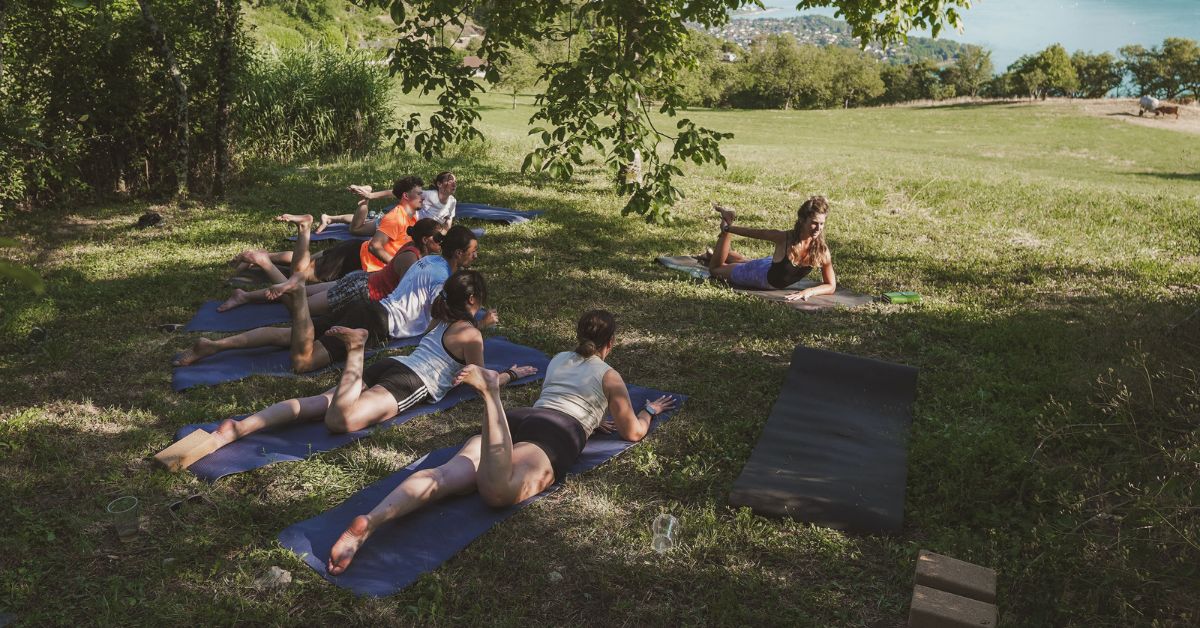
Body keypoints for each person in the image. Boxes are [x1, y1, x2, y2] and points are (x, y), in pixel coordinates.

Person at [324, 309, 678, 575]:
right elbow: (632, 432)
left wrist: (596, 418)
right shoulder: (610, 375)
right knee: (498, 493)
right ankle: (491, 394)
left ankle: (370, 521)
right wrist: (648, 410)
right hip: (556, 433)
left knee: (445, 476)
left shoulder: (558, 359)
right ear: (611, 343)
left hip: (521, 419)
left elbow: (571, 396)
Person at [206, 270, 538, 449]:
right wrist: (509, 373)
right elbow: (481, 378)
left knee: (317, 403)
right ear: (472, 300)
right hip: (409, 383)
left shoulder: (442, 317)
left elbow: (457, 334)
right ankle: (356, 349)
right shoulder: (471, 336)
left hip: (394, 366)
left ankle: (241, 426)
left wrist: (481, 323)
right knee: (339, 422)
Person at [176, 225, 490, 372]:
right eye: (474, 252)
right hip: (374, 322)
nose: (476, 256)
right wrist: (478, 322)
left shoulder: (427, 260)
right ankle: (296, 297)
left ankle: (214, 345)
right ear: (460, 253)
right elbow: (441, 319)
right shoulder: (441, 278)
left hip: (370, 307)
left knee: (290, 336)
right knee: (304, 362)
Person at [217, 218, 445, 316]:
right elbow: (407, 295)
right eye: (439, 239)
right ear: (425, 240)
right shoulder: (411, 258)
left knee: (301, 290)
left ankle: (244, 296)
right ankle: (266, 263)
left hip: (362, 279)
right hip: (359, 288)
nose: (442, 244)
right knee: (298, 308)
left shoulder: (416, 253)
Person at [230, 176, 423, 284]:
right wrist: (393, 264)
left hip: (353, 251)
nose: (423, 197)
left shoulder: (413, 215)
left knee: (305, 263)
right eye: (419, 194)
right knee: (299, 277)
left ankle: (261, 256)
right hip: (354, 258)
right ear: (406, 196)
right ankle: (299, 233)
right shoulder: (395, 217)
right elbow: (375, 246)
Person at [702, 196, 837, 302]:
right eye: (814, 223)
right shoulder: (784, 238)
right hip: (760, 275)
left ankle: (713, 254)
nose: (818, 229)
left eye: (821, 224)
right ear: (802, 220)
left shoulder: (822, 251)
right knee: (715, 269)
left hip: (769, 265)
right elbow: (756, 233)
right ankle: (726, 224)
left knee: (747, 261)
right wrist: (728, 228)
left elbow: (831, 285)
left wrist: (809, 291)